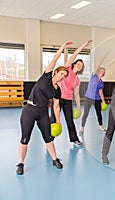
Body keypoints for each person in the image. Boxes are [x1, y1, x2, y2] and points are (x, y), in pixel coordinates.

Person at [16, 41, 73, 175]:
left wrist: (58, 120)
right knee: (25, 138)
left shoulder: (57, 90)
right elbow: (54, 60)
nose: (62, 77)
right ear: (55, 72)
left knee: (48, 138)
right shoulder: (46, 76)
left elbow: (56, 106)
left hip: (43, 112)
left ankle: (55, 159)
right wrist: (62, 47)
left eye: (64, 76)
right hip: (29, 110)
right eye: (61, 74)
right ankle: (20, 163)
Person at [50, 39, 92, 146]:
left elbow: (77, 95)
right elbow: (75, 54)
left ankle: (74, 139)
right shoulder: (67, 69)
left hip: (68, 100)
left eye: (81, 65)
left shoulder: (77, 79)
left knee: (70, 121)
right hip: (58, 98)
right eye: (78, 63)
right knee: (53, 119)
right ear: (73, 64)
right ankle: (50, 139)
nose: (79, 65)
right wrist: (85, 44)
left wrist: (78, 107)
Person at [79, 52, 108, 135]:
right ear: (99, 71)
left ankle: (101, 127)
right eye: (102, 71)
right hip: (88, 98)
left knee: (99, 113)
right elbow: (98, 65)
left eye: (104, 72)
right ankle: (82, 129)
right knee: (86, 113)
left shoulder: (102, 82)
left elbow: (101, 93)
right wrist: (103, 58)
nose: (103, 72)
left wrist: (103, 101)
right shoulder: (93, 76)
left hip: (97, 99)